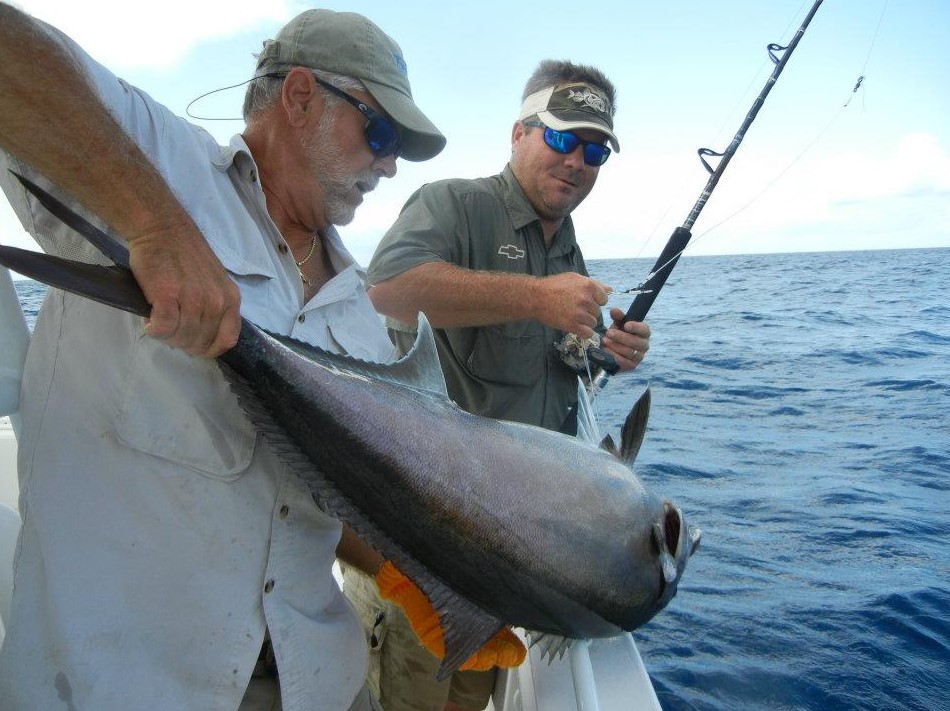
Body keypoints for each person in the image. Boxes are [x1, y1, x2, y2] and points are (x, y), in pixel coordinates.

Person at [0, 6, 447, 710]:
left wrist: (425, 575)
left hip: (319, 685)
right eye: (380, 133)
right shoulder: (158, 158)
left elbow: (328, 509)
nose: (388, 166)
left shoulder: (361, 317)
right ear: (301, 97)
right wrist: (156, 223)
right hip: (119, 686)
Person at [343, 60, 652, 711]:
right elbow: (385, 291)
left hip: (504, 557)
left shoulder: (567, 248)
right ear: (519, 133)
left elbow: (552, 371)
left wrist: (608, 356)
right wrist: (536, 298)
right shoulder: (455, 205)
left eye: (595, 150)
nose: (577, 162)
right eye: (563, 139)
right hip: (420, 542)